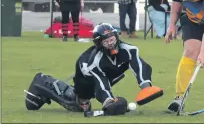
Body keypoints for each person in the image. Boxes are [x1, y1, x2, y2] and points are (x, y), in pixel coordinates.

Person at [24, 23, 163, 116]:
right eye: (106, 41)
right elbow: (101, 82)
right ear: (99, 43)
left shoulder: (130, 50)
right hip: (86, 79)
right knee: (80, 104)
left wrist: (146, 87)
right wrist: (108, 101)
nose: (111, 43)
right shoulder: (93, 62)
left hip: (108, 74)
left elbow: (139, 65)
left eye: (112, 39)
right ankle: (44, 84)